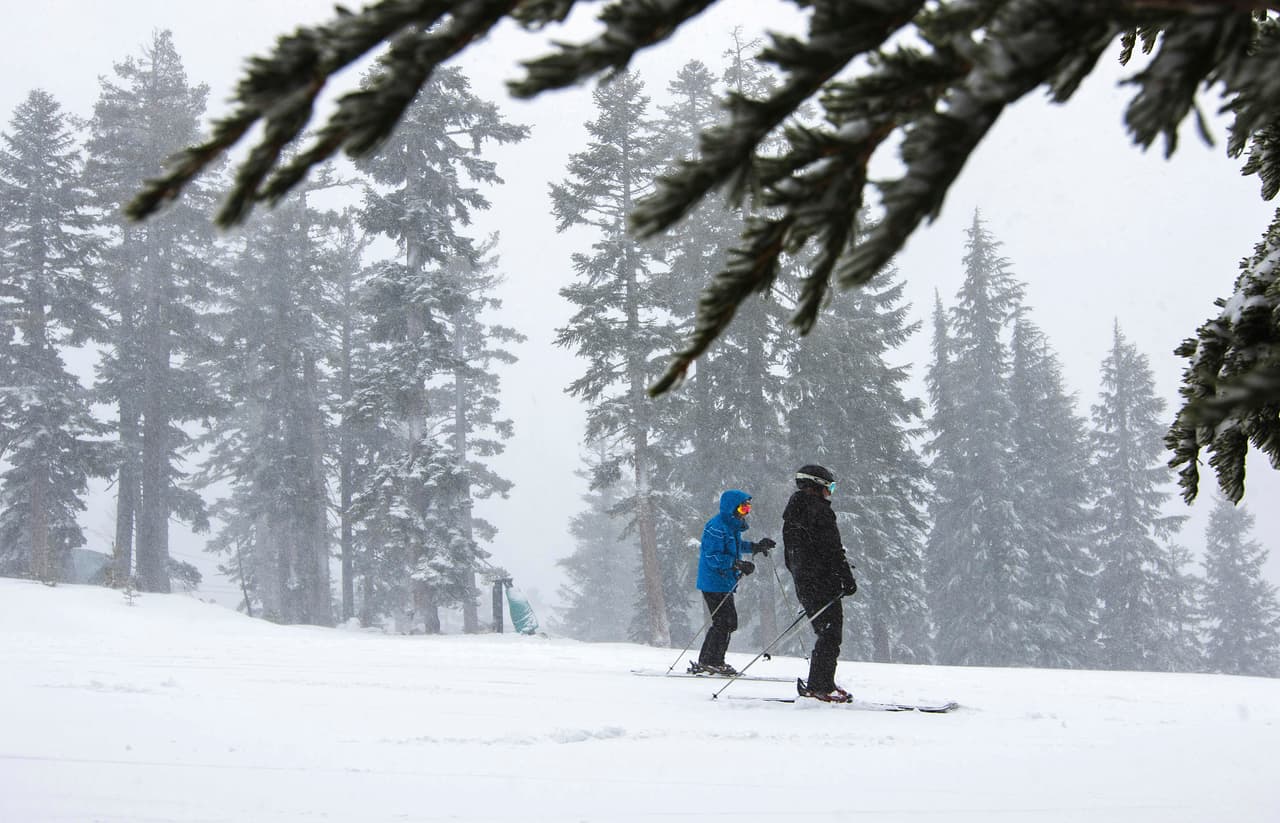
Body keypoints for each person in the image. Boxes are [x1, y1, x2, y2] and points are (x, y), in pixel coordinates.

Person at [782, 464, 858, 702]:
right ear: (817, 485)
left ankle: (823, 682)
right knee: (830, 633)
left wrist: (802, 574)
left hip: (805, 582)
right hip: (823, 582)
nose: (830, 493)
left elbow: (791, 554)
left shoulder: (793, 513)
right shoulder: (820, 512)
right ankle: (819, 685)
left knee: (826, 632)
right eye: (830, 487)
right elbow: (832, 549)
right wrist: (845, 577)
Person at [692, 489, 776, 676]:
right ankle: (710, 661)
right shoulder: (716, 527)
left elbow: (735, 546)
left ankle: (711, 660)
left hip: (724, 581)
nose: (745, 511)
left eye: (748, 508)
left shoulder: (731, 526)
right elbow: (712, 556)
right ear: (731, 507)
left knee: (726, 621)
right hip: (713, 581)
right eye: (742, 507)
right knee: (725, 621)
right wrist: (736, 563)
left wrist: (755, 546)